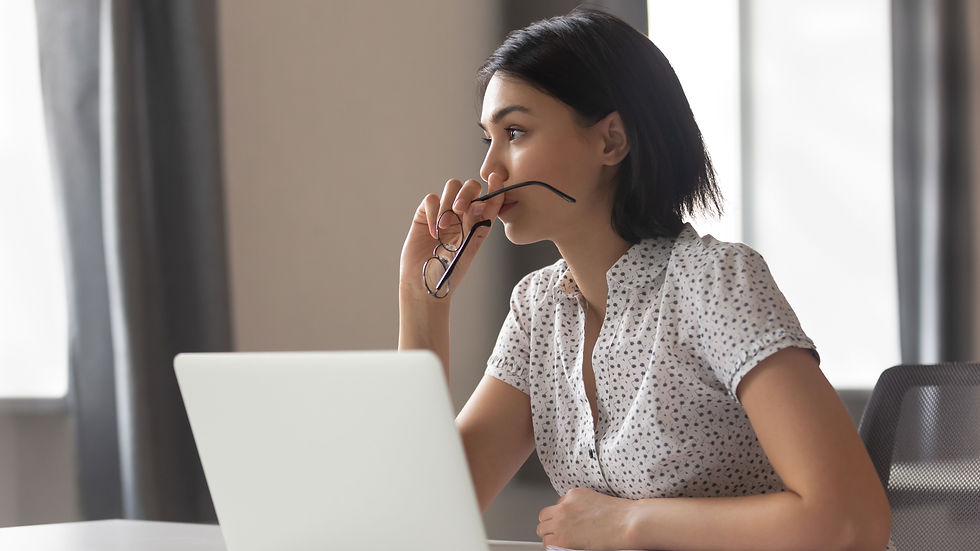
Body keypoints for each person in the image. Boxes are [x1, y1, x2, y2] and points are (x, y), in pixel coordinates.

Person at [398, 7, 894, 551]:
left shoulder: (714, 282)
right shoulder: (537, 310)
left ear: (611, 141)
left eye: (515, 131)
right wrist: (422, 300)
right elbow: (423, 511)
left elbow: (850, 522)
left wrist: (628, 523)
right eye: (487, 139)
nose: (489, 171)